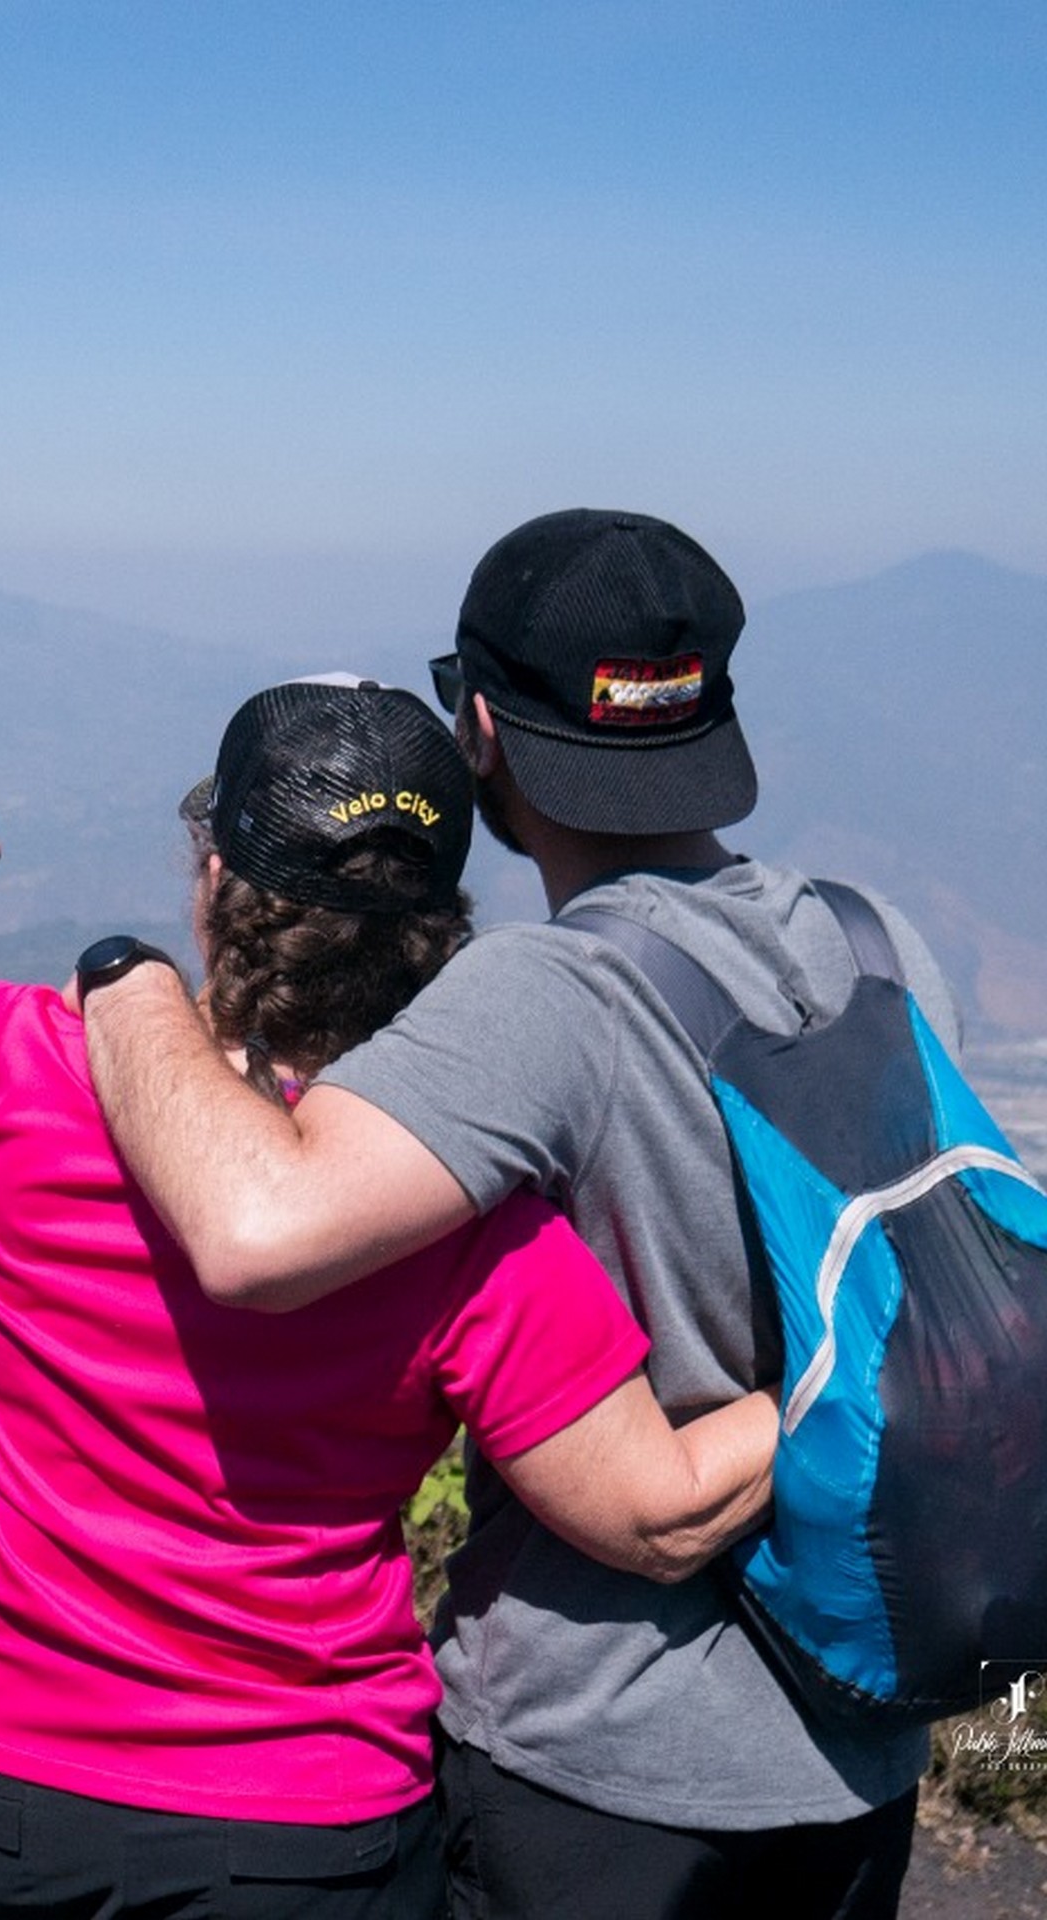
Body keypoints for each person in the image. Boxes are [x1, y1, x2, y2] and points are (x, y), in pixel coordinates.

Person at [77, 513, 955, 1919]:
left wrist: (126, 994)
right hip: (859, 1740)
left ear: (480, 728)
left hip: (602, 1763)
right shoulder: (868, 936)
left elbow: (251, 1229)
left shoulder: (546, 995)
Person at [0, 677, 780, 1920]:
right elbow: (656, 1515)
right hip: (290, 1830)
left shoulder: (20, 1067)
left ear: (213, 878)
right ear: (441, 920)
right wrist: (865, 1363)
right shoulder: (468, 1221)